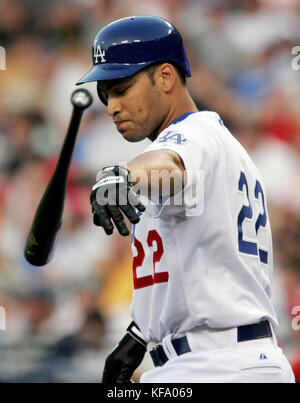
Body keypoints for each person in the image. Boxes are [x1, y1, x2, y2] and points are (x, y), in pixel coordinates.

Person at [77, 16, 295, 383]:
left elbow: (169, 164)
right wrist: (138, 335)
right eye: (105, 94)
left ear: (165, 77)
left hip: (216, 363)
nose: (111, 105)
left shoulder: (194, 136)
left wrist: (124, 174)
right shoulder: (213, 143)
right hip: (228, 359)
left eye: (122, 87)